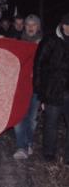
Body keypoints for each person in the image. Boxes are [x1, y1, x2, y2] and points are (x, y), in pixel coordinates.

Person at [34, 13, 69, 164]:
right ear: (62, 25)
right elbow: (38, 66)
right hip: (52, 90)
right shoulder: (50, 40)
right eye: (67, 25)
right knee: (51, 124)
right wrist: (40, 93)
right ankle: (49, 154)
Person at [13, 14, 43, 160]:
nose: (30, 28)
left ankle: (29, 142)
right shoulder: (17, 42)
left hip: (36, 87)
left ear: (38, 27)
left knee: (31, 119)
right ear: (24, 26)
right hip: (19, 87)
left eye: (34, 25)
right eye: (28, 25)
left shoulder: (46, 43)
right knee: (19, 116)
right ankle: (21, 147)